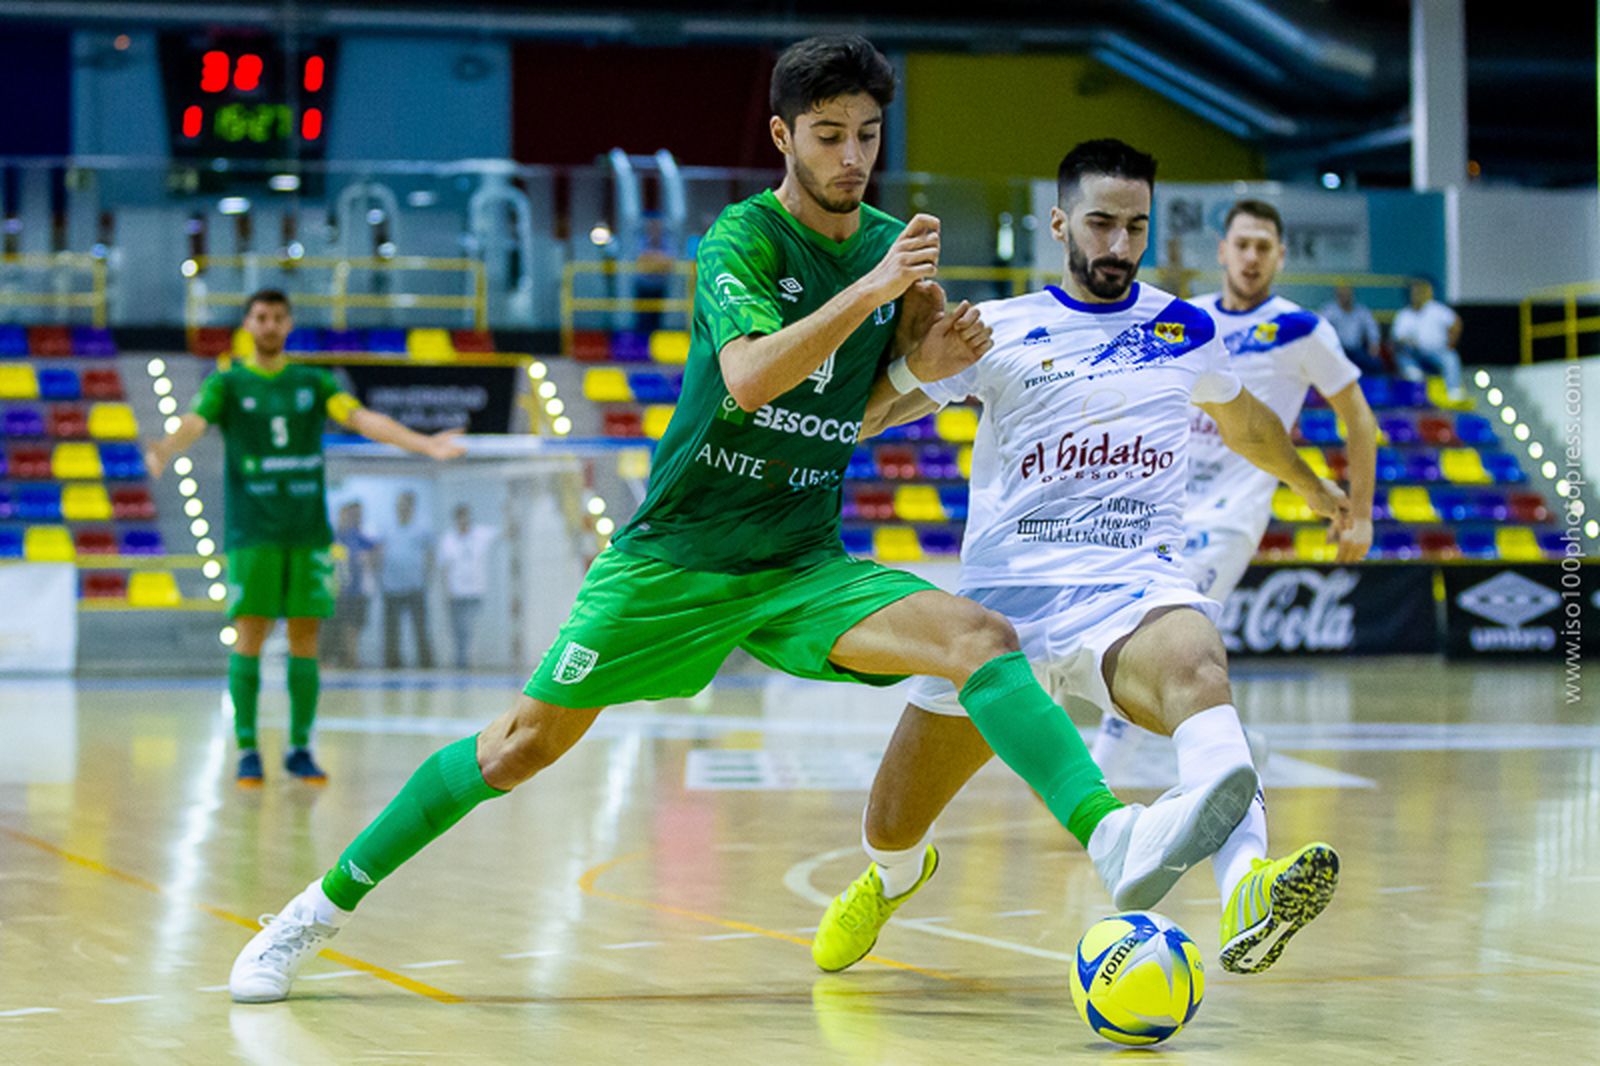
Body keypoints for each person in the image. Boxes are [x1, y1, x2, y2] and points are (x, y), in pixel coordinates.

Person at [229, 36, 1252, 1004]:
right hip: (674, 558)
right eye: (827, 135)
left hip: (800, 560)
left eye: (866, 135)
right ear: (781, 137)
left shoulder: (899, 255)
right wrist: (877, 296)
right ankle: (312, 913)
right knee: (518, 748)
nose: (852, 157)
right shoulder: (743, 239)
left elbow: (865, 410)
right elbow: (755, 379)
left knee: (982, 637)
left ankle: (1111, 837)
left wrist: (918, 365)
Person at [812, 141, 1345, 978]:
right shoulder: (997, 330)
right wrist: (918, 359)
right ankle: (891, 878)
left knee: (1201, 668)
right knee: (891, 820)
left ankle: (1248, 887)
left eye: (1135, 226)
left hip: (1131, 591)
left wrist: (1316, 489)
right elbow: (872, 416)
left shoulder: (1184, 328)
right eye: (1101, 223)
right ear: (1060, 223)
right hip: (996, 620)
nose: (1119, 245)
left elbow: (1246, 425)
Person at [1091, 197, 1378, 826]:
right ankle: (1244, 749)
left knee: (1157, 628)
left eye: (1263, 246)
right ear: (1222, 251)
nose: (1251, 256)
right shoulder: (1190, 321)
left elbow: (1357, 415)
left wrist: (1360, 511)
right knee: (1128, 632)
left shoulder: (1302, 329)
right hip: (1161, 506)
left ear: (1279, 257)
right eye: (1241, 244)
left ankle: (1097, 780)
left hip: (1232, 514)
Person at [145, 290, 465, 786]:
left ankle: (300, 748)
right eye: (260, 317)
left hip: (308, 532)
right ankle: (248, 749)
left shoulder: (314, 382)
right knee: (249, 637)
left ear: (288, 324)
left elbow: (361, 419)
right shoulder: (227, 384)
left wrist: (423, 444)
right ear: (249, 325)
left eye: (277, 317)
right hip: (254, 533)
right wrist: (167, 447)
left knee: (305, 639)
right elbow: (196, 421)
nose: (269, 325)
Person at [437, 503, 499, 669]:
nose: (463, 520)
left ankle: (470, 662)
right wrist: (446, 591)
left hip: (475, 592)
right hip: (456, 593)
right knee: (458, 631)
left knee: (470, 630)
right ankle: (461, 663)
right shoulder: (448, 539)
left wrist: (509, 509)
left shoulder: (480, 534)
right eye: (460, 517)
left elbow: (505, 532)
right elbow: (444, 568)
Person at [378, 490, 436, 669]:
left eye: (404, 504)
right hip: (391, 586)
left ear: (412, 506)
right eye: (398, 504)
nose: (400, 508)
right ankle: (392, 664)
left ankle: (426, 664)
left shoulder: (422, 528)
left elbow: (430, 554)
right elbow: (380, 552)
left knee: (420, 628)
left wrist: (428, 577)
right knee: (391, 630)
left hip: (415, 586)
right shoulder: (387, 527)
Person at [1391, 278, 1465, 402]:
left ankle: (1453, 391)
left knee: (1451, 357)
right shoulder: (1404, 314)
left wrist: (1452, 342)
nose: (1416, 295)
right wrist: (1408, 342)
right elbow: (1397, 338)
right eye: (1414, 293)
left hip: (1437, 351)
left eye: (1419, 292)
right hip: (1414, 353)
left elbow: (1456, 323)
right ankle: (1414, 375)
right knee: (1402, 352)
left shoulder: (1437, 310)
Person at [326, 500, 376, 668]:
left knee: (353, 626)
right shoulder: (335, 536)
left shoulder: (358, 535)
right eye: (348, 514)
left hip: (356, 590)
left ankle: (351, 658)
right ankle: (336, 658)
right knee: (335, 626)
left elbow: (374, 548)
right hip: (338, 590)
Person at [1319, 283, 1386, 377]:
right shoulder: (1330, 311)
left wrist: (1373, 344)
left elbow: (1372, 328)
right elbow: (1319, 330)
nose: (1345, 297)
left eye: (1347, 295)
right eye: (1341, 295)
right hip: (1337, 351)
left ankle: (1371, 389)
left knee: (1376, 364)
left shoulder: (1361, 311)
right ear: (1337, 296)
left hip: (1357, 351)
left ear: (1352, 295)